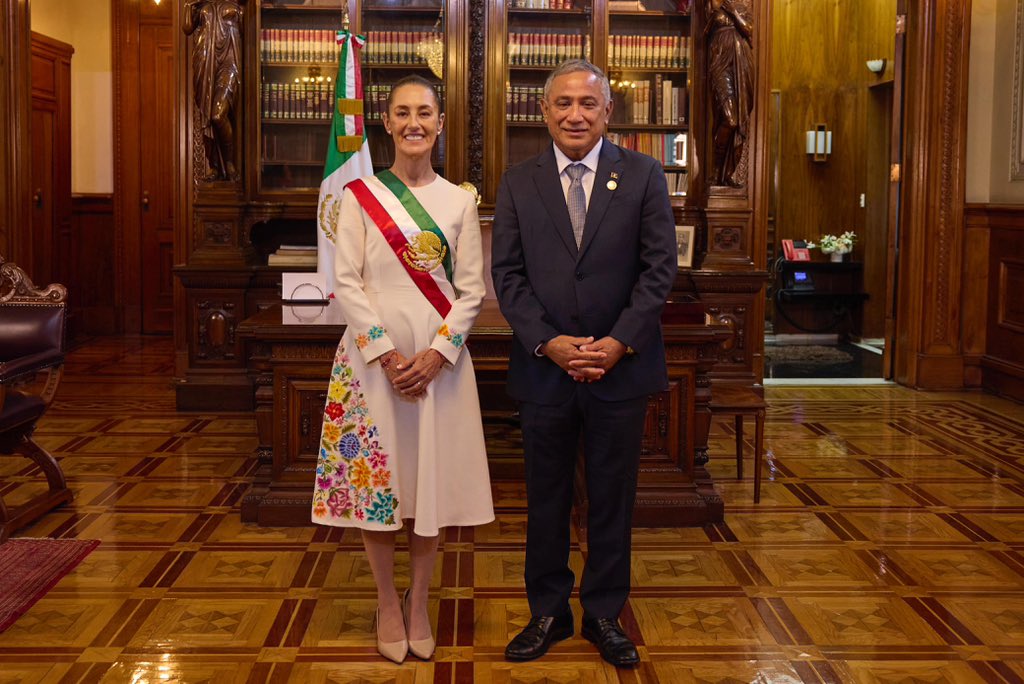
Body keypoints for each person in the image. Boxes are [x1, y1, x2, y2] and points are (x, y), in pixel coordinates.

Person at [491, 60, 677, 668]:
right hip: (545, 369)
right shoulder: (518, 182)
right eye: (564, 103)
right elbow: (507, 276)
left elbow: (659, 270)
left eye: (588, 103)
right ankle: (548, 611)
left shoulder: (644, 174)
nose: (576, 114)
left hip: (620, 369)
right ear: (544, 111)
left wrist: (618, 342)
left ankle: (603, 613)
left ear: (607, 112)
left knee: (612, 498)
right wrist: (549, 342)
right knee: (544, 498)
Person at [311, 75, 494, 665]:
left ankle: (420, 602)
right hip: (373, 366)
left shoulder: (460, 201)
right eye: (402, 113)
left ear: (440, 123)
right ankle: (387, 601)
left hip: (440, 363)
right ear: (386, 123)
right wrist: (388, 355)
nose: (414, 123)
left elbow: (471, 291)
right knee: (379, 486)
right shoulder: (359, 195)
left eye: (425, 113)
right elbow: (346, 282)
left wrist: (437, 354)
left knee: (427, 484)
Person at [183, 0, 243, 181]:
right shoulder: (203, 4)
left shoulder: (237, 3)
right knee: (208, 114)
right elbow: (187, 28)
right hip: (205, 59)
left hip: (230, 59)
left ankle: (230, 163)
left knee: (218, 114)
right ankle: (215, 165)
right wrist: (188, 6)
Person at [706, 0, 754, 187]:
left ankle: (725, 174)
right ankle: (716, 168)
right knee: (730, 119)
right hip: (719, 62)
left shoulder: (742, 8)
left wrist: (733, 11)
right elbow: (704, 33)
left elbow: (748, 30)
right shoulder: (713, 6)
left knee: (738, 119)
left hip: (740, 63)